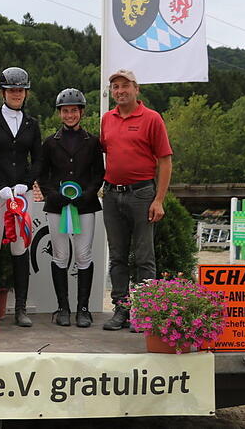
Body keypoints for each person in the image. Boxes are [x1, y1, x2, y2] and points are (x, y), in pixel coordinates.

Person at [100, 69, 173, 331]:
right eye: (116, 87)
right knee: (117, 256)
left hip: (142, 194)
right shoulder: (106, 119)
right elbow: (107, 152)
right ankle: (121, 309)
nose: (120, 91)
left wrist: (159, 199)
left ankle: (144, 312)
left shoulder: (152, 118)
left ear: (136, 89)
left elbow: (165, 161)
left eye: (125, 86)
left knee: (144, 257)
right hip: (111, 194)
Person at [0, 67, 43, 327]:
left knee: (20, 247)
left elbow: (38, 160)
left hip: (23, 194)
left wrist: (26, 183)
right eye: (12, 90)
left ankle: (21, 308)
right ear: (3, 92)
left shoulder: (32, 124)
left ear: (26, 93)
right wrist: (0, 185)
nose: (16, 94)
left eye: (21, 90)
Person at [37, 89, 104, 328]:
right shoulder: (50, 142)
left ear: (81, 112)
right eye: (65, 111)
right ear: (60, 113)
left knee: (84, 254)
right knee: (60, 255)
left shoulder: (92, 142)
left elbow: (99, 174)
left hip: (84, 206)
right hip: (58, 207)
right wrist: (53, 195)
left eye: (74, 110)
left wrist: (87, 194)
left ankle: (83, 309)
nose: (69, 115)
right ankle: (63, 307)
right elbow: (42, 174)